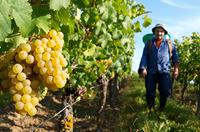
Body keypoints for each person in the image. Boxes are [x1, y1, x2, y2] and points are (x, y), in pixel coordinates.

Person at [138, 23, 179, 111]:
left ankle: (161, 109)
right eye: (157, 31)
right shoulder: (149, 43)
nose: (159, 33)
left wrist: (176, 69)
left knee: (165, 91)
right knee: (150, 92)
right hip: (151, 71)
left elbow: (175, 58)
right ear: (154, 32)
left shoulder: (169, 44)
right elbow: (144, 56)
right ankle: (151, 109)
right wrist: (143, 68)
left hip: (164, 72)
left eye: (161, 31)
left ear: (164, 33)